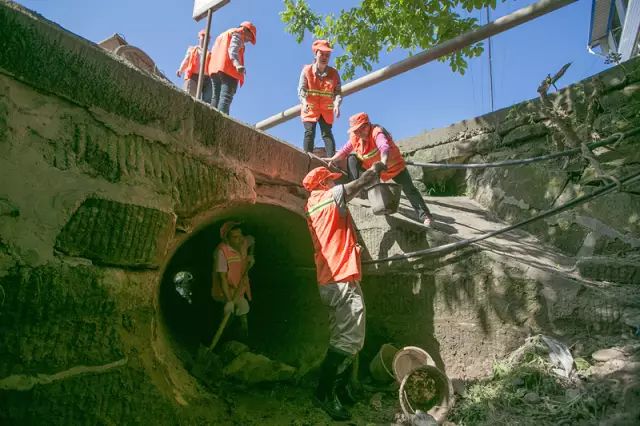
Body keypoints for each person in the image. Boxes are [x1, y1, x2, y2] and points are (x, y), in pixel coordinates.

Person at [303, 162, 385, 421]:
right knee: (348, 341)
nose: (332, 183)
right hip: (340, 279)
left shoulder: (313, 207)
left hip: (330, 281)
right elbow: (357, 185)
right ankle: (324, 393)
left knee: (343, 337)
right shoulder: (327, 198)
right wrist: (376, 169)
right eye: (329, 180)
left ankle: (339, 388)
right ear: (321, 185)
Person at [324, 112, 434, 227]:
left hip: (393, 166)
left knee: (409, 189)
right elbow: (344, 151)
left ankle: (425, 216)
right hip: (375, 168)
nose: (359, 133)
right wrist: (332, 159)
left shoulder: (377, 132)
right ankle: (360, 189)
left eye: (361, 129)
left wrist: (383, 162)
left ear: (367, 125)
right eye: (356, 131)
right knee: (352, 158)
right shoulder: (355, 137)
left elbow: (384, 147)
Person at [298, 40, 342, 157]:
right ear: (315, 54)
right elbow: (301, 89)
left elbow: (338, 92)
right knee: (309, 132)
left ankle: (332, 160)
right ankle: (307, 157)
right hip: (310, 108)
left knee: (327, 133)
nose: (324, 57)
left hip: (326, 110)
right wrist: (304, 102)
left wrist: (337, 104)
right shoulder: (307, 70)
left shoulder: (334, 73)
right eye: (321, 54)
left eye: (327, 55)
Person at [211, 221, 255, 337]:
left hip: (239, 287)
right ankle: (225, 338)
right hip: (226, 290)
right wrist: (229, 301)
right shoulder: (221, 253)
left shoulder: (243, 242)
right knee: (229, 314)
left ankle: (244, 337)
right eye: (235, 237)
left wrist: (251, 256)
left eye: (240, 235)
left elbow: (252, 239)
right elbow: (223, 279)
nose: (240, 239)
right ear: (227, 239)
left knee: (242, 310)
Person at [207, 21, 257, 114]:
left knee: (215, 97)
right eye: (250, 36)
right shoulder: (238, 33)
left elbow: (212, 52)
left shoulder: (223, 34)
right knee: (225, 98)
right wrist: (237, 64)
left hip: (215, 69)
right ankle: (222, 123)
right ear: (245, 29)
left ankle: (211, 119)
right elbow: (233, 50)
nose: (249, 40)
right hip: (228, 70)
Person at [176, 30, 212, 103]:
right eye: (203, 36)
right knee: (190, 95)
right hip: (193, 76)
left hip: (206, 78)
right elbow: (186, 60)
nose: (205, 38)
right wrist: (180, 70)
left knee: (207, 99)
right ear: (199, 38)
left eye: (207, 37)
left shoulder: (210, 53)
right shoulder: (193, 49)